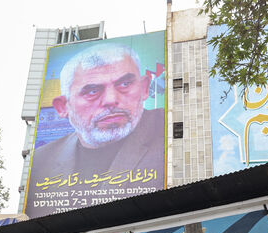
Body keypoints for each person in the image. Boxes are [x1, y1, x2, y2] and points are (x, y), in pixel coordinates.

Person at [27, 43, 165, 199]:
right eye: (92, 91)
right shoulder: (41, 161)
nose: (111, 100)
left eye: (125, 84)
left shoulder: (169, 132)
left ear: (144, 89)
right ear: (63, 107)